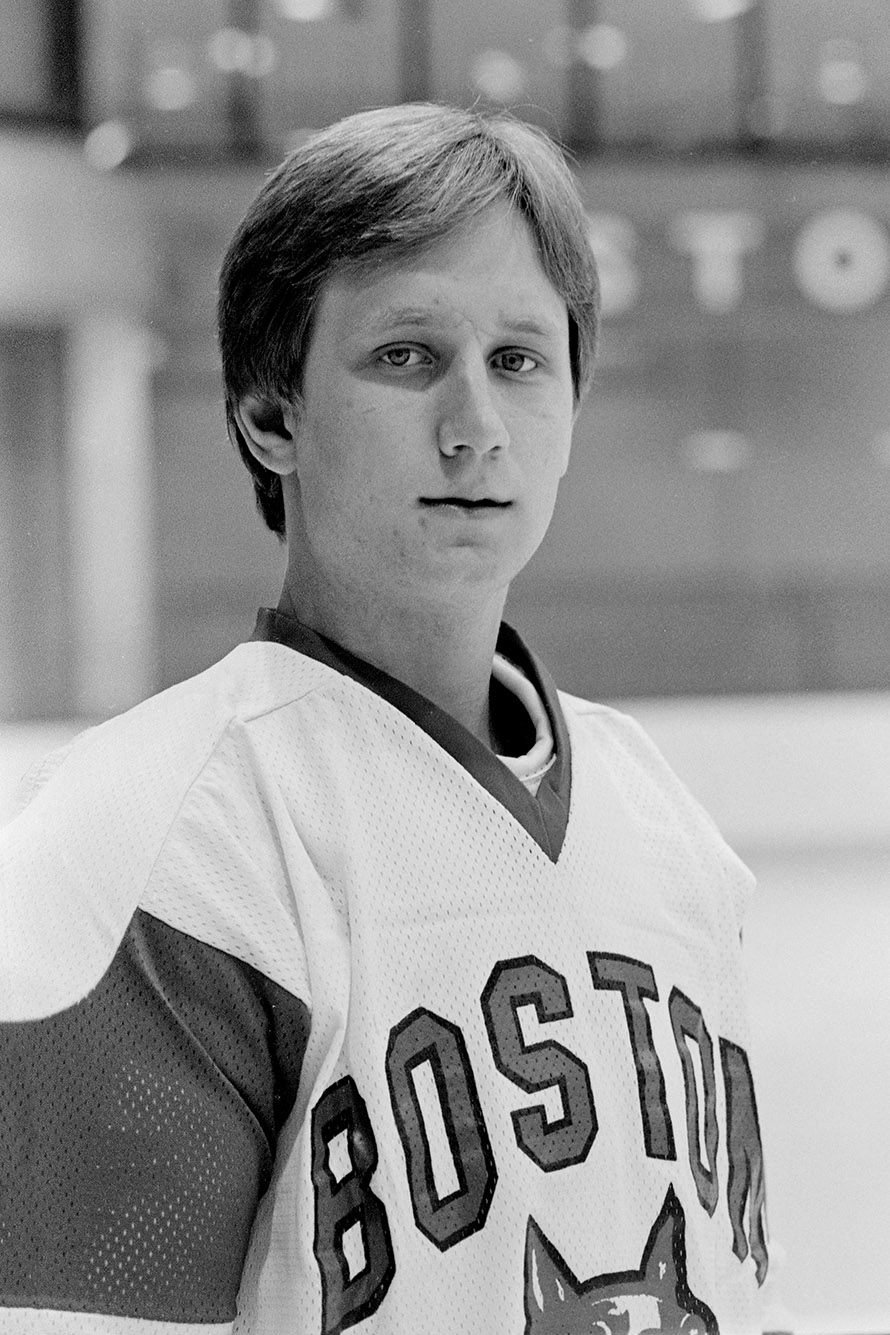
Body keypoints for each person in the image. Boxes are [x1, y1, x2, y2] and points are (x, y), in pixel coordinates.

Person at [0, 102, 768, 1334]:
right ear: (269, 415)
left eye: (520, 359)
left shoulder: (666, 827)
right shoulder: (153, 841)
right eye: (406, 356)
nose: (475, 425)